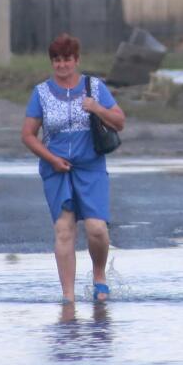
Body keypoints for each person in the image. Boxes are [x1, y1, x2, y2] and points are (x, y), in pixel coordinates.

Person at [21, 33, 125, 302]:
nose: (62, 65)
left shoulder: (95, 87)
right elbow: (28, 135)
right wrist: (52, 160)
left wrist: (96, 108)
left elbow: (119, 121)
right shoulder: (41, 93)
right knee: (64, 230)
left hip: (91, 166)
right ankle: (68, 298)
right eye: (57, 60)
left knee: (97, 228)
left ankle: (99, 276)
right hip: (56, 169)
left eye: (67, 59)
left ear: (76, 60)